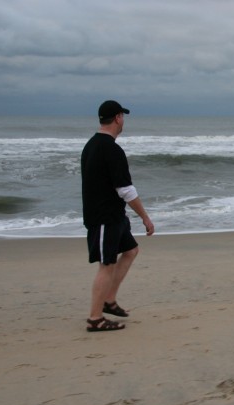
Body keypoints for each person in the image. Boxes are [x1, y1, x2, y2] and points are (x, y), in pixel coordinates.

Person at [81, 100, 155, 332]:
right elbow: (125, 190)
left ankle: (109, 300)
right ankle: (95, 319)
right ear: (117, 118)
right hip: (104, 217)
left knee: (131, 250)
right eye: (123, 116)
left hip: (113, 215)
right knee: (106, 264)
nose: (123, 120)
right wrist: (145, 217)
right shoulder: (111, 149)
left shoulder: (91, 145)